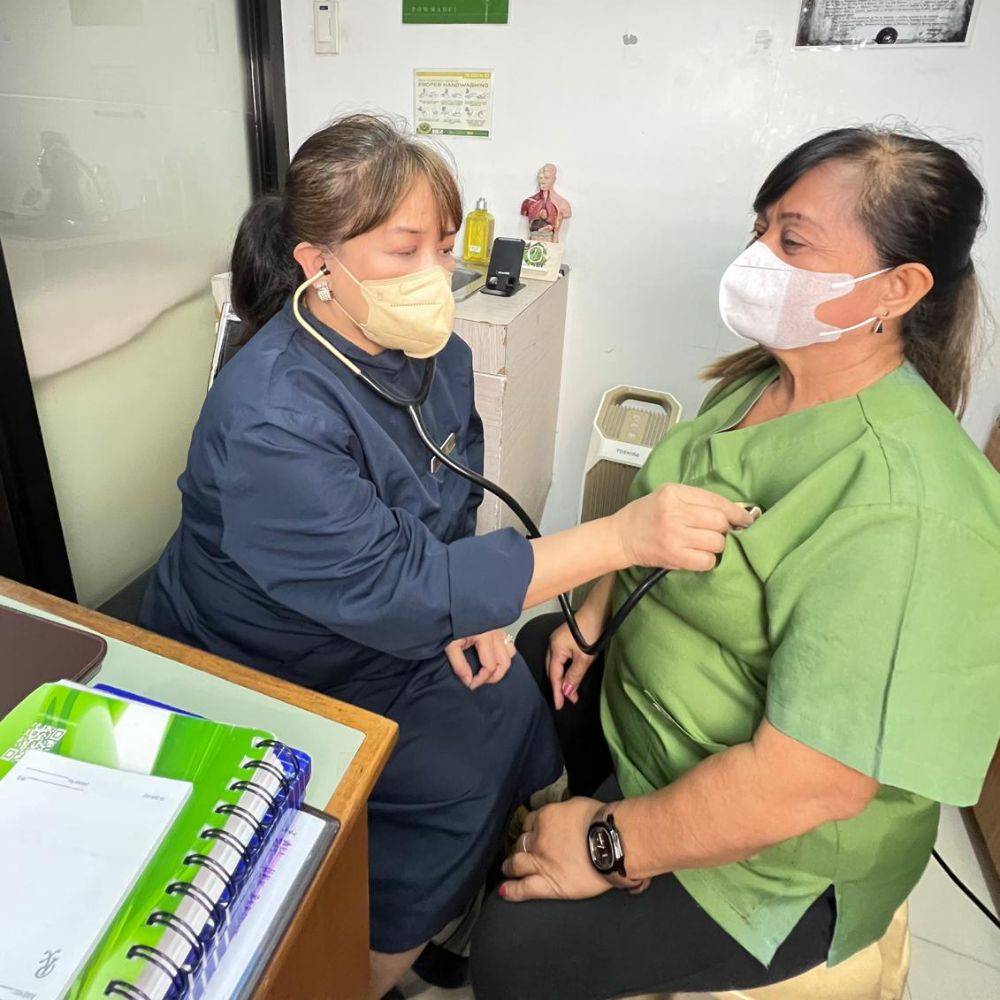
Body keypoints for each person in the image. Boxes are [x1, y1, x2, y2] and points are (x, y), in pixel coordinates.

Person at [139, 113, 751, 998]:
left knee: (510, 701)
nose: (436, 274)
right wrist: (619, 538)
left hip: (391, 619)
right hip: (269, 654)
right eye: (404, 250)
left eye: (443, 245)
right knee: (455, 773)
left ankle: (453, 896)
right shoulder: (274, 416)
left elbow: (449, 499)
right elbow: (398, 585)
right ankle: (361, 969)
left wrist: (473, 613)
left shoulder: (437, 355)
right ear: (319, 263)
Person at [471, 126, 1000, 999]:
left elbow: (810, 784)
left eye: (793, 241)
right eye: (760, 231)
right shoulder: (763, 382)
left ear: (898, 288)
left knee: (518, 948)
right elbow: (662, 504)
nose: (756, 260)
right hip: (657, 721)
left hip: (779, 850)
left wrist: (608, 843)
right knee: (525, 663)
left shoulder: (906, 509)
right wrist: (594, 616)